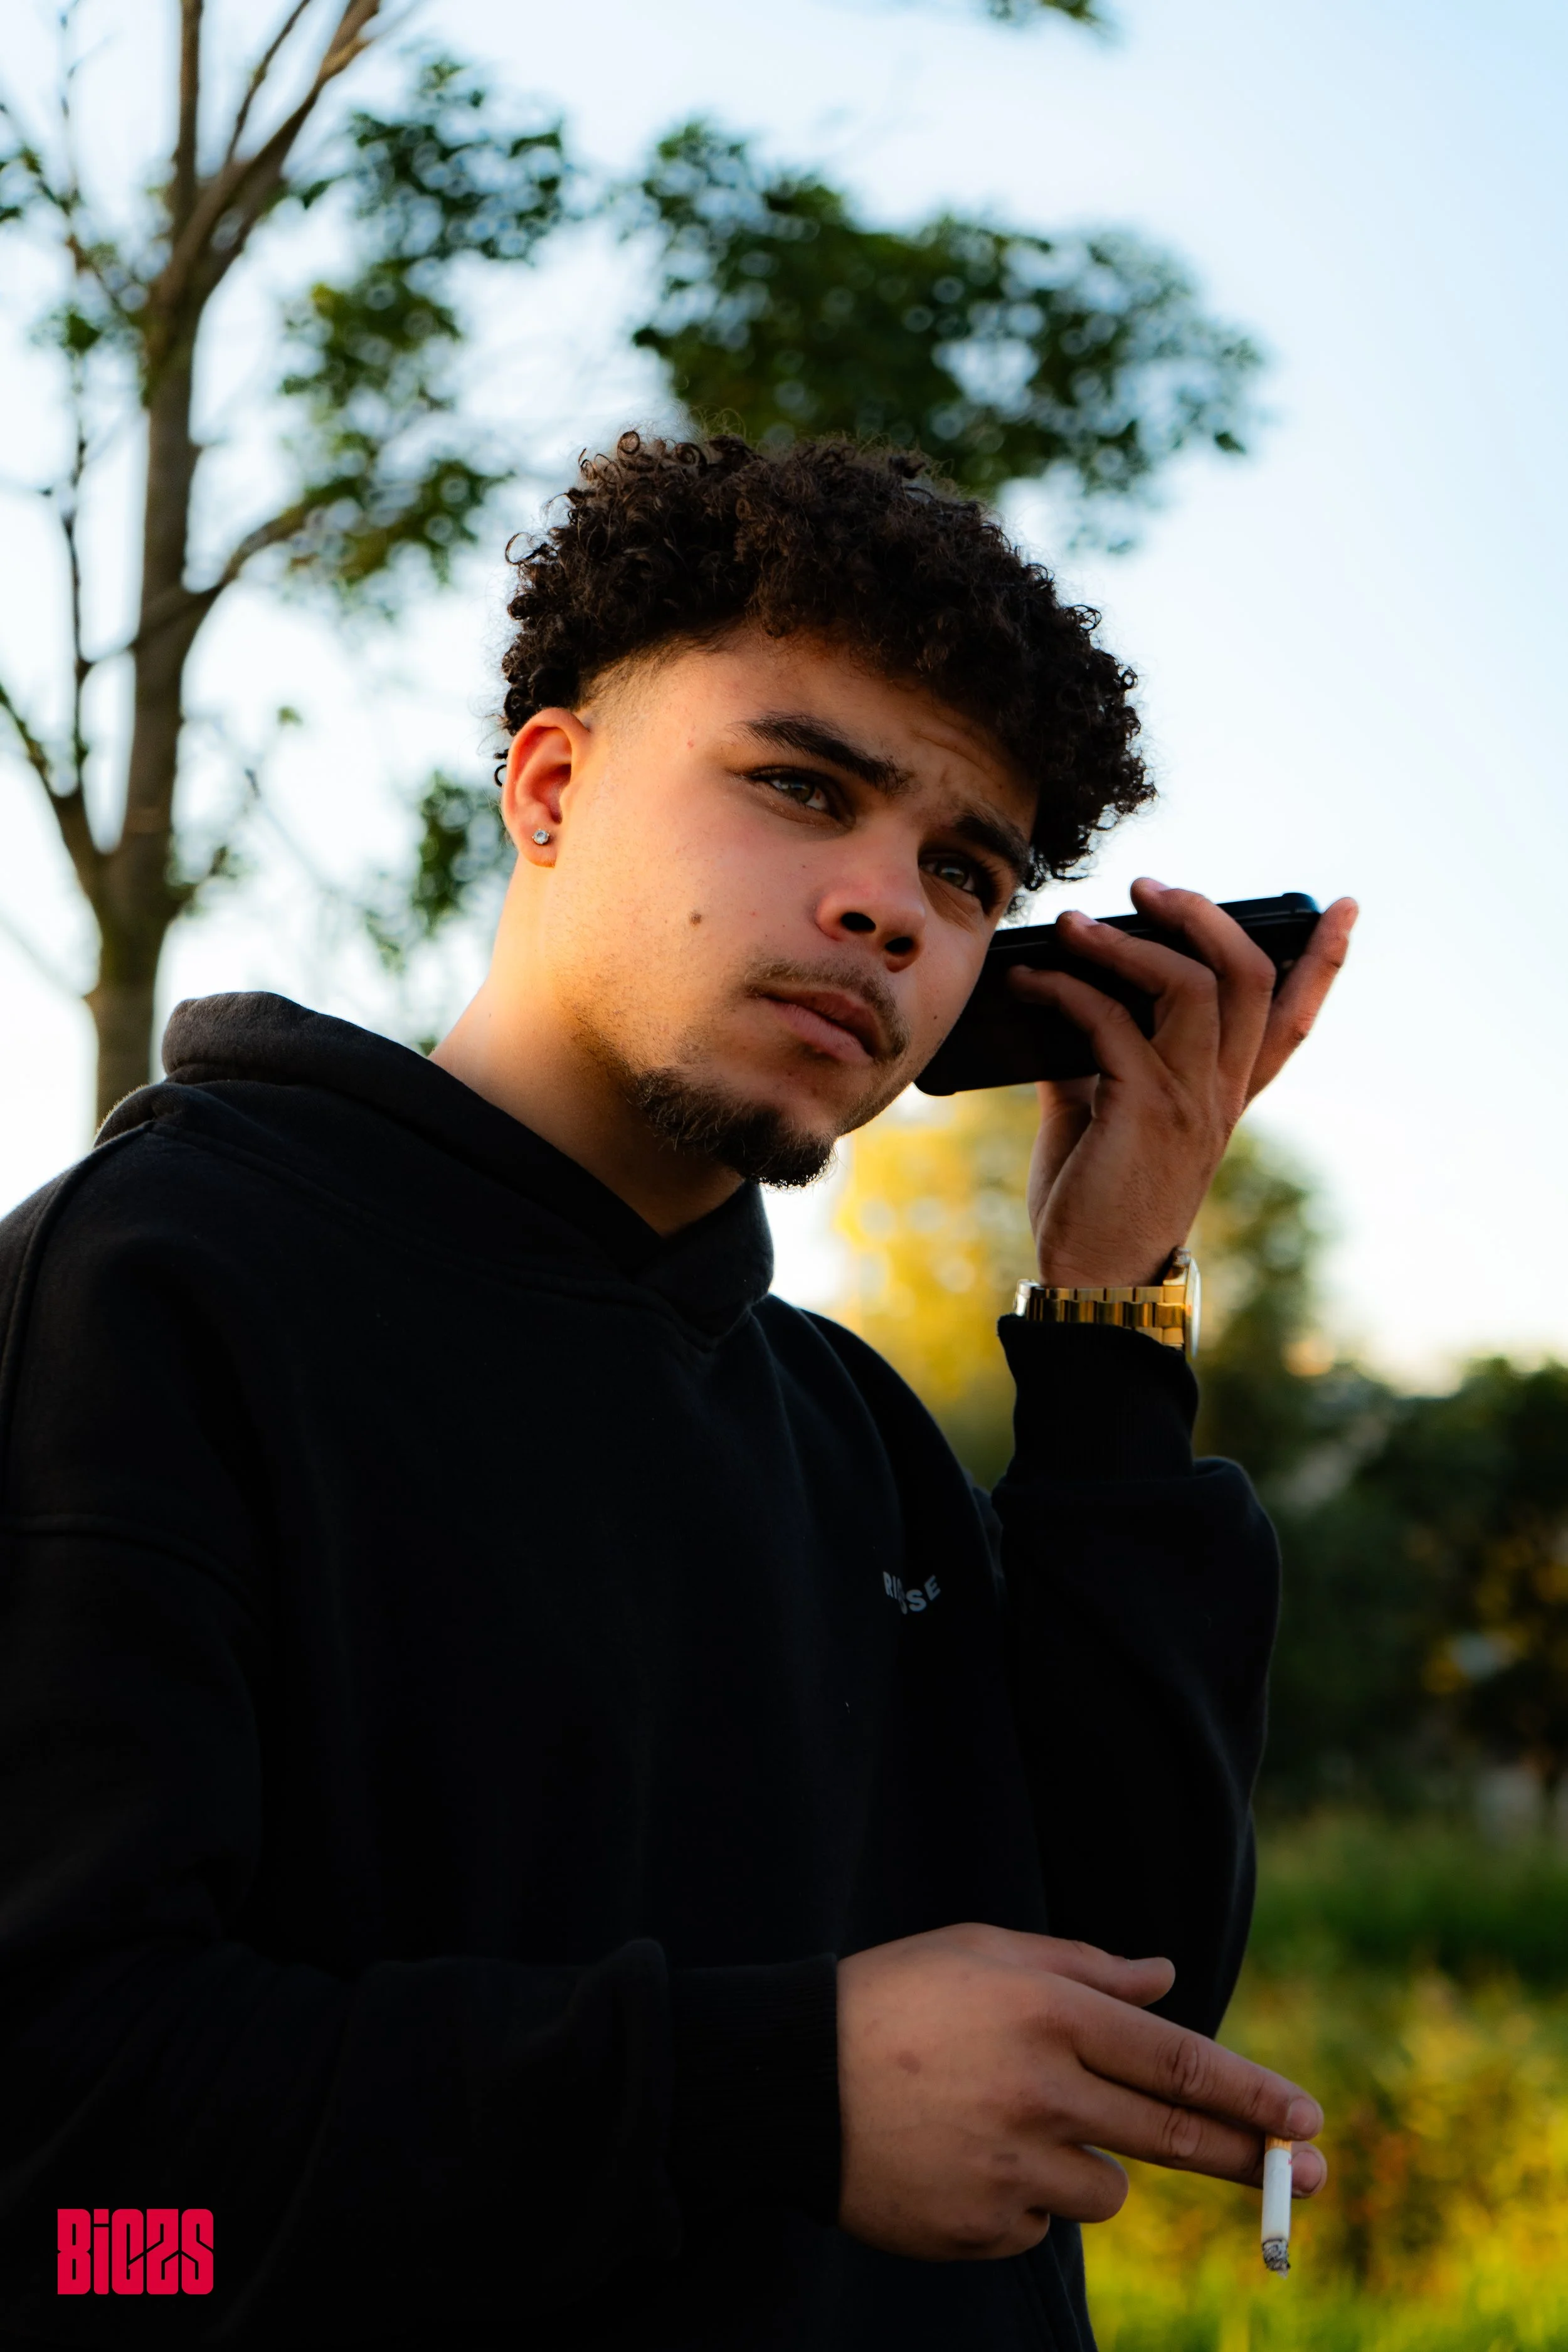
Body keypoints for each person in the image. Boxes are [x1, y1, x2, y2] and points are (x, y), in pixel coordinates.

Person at [0, 432, 1355, 2351]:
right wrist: (763, 2097)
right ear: (549, 788)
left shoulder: (853, 1436)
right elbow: (78, 2221)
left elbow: (1117, 2008)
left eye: (961, 869)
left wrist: (1107, 1319)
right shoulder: (151, 1294)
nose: (889, 905)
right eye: (802, 787)